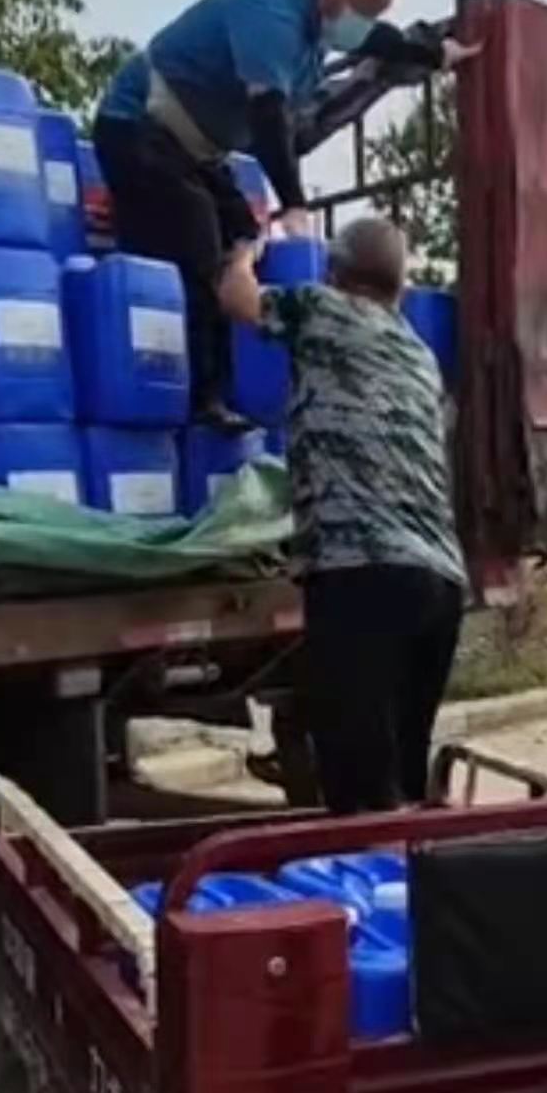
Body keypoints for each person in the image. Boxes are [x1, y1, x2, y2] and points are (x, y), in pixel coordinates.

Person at [93, 0, 466, 430]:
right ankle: (204, 401)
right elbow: (268, 117)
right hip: (136, 126)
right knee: (200, 233)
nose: (365, 24)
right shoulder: (271, 14)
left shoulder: (318, 32)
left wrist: (437, 55)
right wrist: (294, 203)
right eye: (363, 8)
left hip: (193, 148)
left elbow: (380, 40)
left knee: (245, 233)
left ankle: (226, 381)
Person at [218, 214, 467, 813]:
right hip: (440, 583)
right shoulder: (418, 352)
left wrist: (243, 254)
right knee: (402, 782)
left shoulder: (322, 311)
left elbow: (237, 300)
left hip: (362, 576)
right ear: (400, 289)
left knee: (359, 792)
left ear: (334, 274)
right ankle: (408, 895)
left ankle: (369, 893)